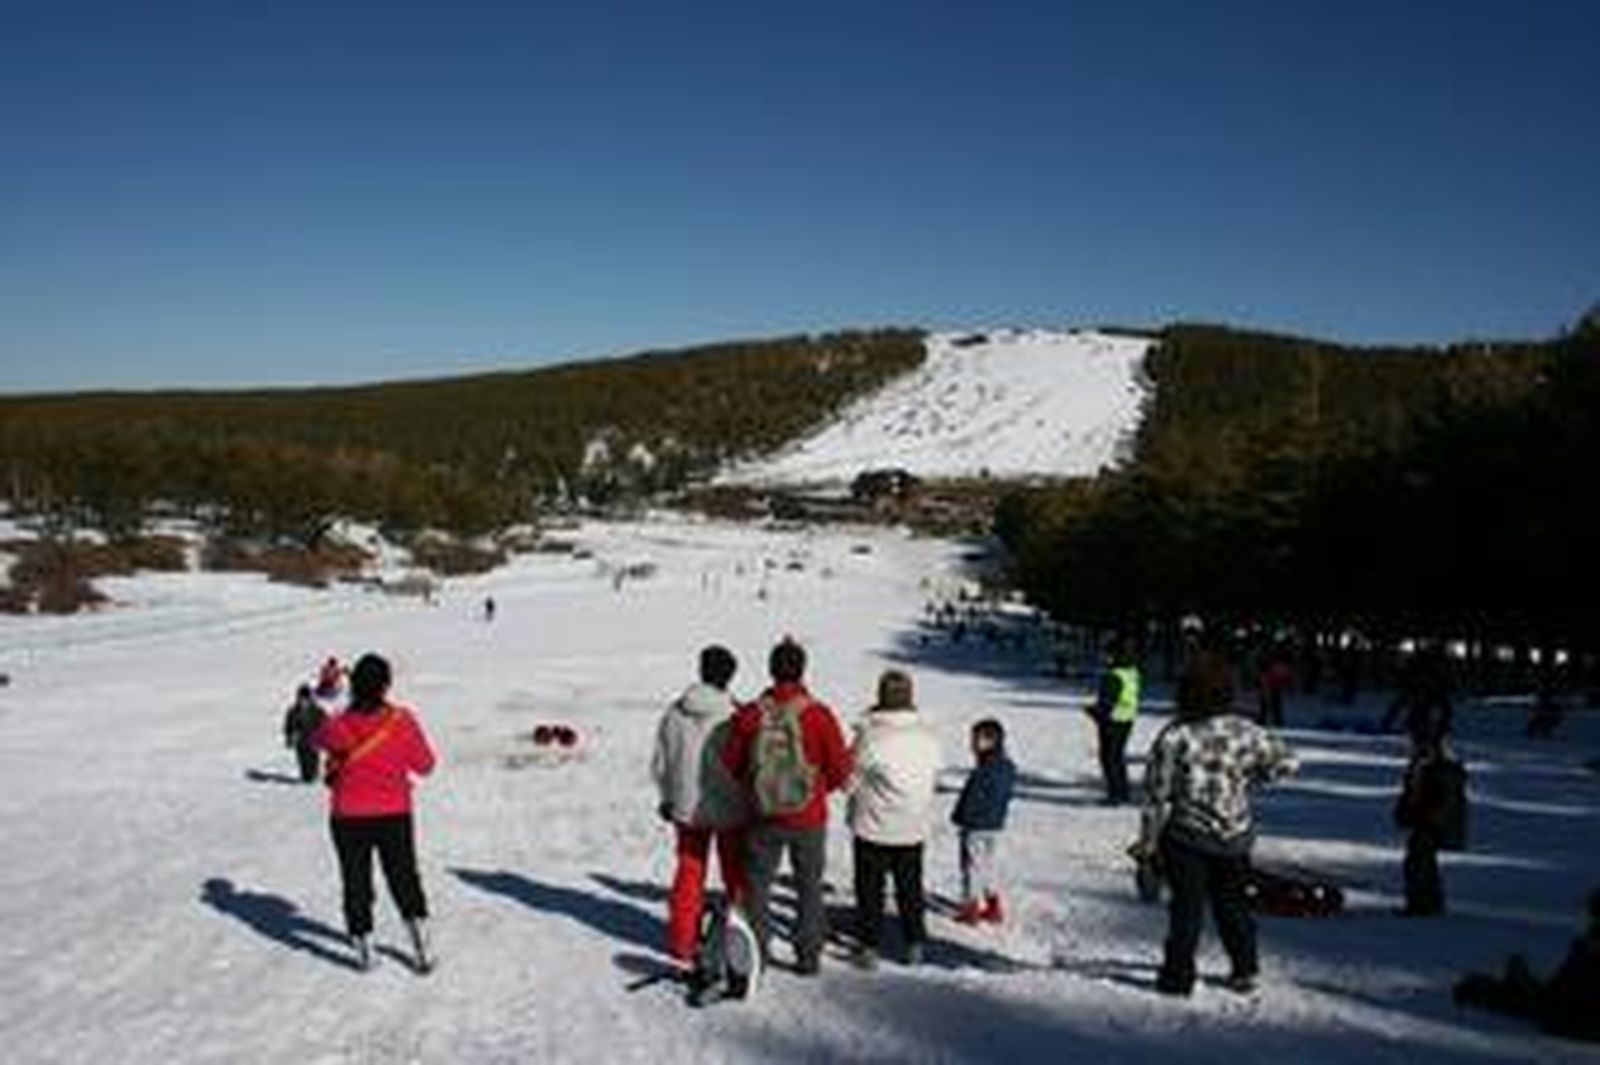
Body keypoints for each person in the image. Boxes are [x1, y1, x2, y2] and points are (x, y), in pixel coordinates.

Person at [1139, 646, 1297, 996]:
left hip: (1187, 835)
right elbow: (1287, 762)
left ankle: (1178, 977)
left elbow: (1155, 794)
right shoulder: (1246, 730)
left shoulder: (1176, 735)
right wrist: (1247, 783)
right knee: (1233, 904)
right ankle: (1245, 968)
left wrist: (1147, 845)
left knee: (1187, 909)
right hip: (1235, 835)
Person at [722, 639, 851, 975]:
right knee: (809, 885)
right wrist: (817, 790)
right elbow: (839, 769)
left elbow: (731, 763)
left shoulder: (751, 714)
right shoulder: (819, 715)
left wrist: (756, 787)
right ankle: (808, 956)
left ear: (771, 669)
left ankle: (758, 955)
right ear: (802, 670)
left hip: (762, 814)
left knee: (757, 888)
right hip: (809, 816)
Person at [313, 653, 437, 972]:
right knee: (403, 876)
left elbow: (317, 739)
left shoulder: (338, 723)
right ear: (386, 685)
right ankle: (420, 944)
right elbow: (426, 766)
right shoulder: (402, 720)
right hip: (394, 812)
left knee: (355, 880)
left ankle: (364, 947)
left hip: (347, 816)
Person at [651, 645, 750, 967]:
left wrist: (667, 797)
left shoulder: (675, 712)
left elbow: (660, 763)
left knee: (690, 872)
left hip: (686, 808)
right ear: (729, 675)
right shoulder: (736, 714)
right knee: (734, 874)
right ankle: (740, 938)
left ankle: (682, 941)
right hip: (730, 808)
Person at [845, 670, 941, 969]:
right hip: (913, 826)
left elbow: (850, 781)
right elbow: (935, 775)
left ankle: (869, 946)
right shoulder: (928, 737)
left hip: (874, 826)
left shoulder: (871, 737)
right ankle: (914, 943)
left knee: (870, 890)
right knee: (910, 887)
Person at [1454, 888, 1600, 1043]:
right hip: (1569, 1012)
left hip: (1573, 1020)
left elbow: (1563, 996)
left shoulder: (1589, 951)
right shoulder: (1587, 948)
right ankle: (1503, 986)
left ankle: (1493, 987)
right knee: (1525, 997)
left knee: (1524, 1000)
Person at [1394, 727, 1468, 917]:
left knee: (1421, 862)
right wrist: (1404, 811)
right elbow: (1410, 792)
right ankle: (1421, 901)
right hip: (1422, 820)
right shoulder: (1419, 765)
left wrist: (1432, 819)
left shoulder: (1441, 769)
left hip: (1431, 822)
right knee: (1417, 861)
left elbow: (1444, 800)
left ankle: (1424, 903)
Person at [951, 718, 1016, 925]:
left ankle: (970, 907)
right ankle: (993, 904)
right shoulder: (1005, 768)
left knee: (971, 867)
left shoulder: (984, 770)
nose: (971, 744)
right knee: (987, 866)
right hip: (994, 826)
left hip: (976, 826)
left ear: (991, 741)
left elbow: (972, 799)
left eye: (976, 740)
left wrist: (960, 817)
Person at [1089, 637, 1141, 805]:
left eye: (1108, 654)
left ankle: (1115, 793)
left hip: (1112, 720)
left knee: (1109, 758)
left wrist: (1095, 713)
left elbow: (1108, 701)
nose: (1105, 657)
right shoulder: (1132, 673)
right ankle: (1123, 791)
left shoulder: (1114, 675)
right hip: (1127, 718)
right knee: (1118, 757)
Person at [1382, 644, 1454, 741]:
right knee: (1417, 716)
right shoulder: (1423, 666)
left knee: (1420, 716)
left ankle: (1430, 741)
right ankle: (1423, 741)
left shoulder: (1427, 667)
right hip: (1421, 695)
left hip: (1425, 695)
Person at [282, 684, 328, 784]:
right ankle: (306, 777)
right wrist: (289, 737)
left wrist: (324, 736)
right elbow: (289, 725)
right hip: (301, 740)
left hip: (314, 739)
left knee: (313, 759)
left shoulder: (317, 710)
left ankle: (312, 776)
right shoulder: (293, 711)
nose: (303, 701)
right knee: (303, 760)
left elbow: (325, 723)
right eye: (301, 698)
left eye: (305, 698)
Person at [1257, 645, 1294, 728]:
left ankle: (1271, 720)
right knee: (1269, 703)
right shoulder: (1272, 662)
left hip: (1271, 683)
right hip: (1269, 682)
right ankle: (1268, 720)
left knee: (1271, 703)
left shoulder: (1274, 662)